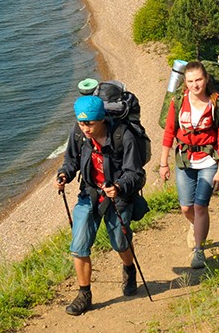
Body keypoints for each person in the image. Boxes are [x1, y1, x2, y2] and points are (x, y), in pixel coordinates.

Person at [56, 94, 146, 316]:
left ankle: (129, 268)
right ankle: (84, 294)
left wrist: (119, 186)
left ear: (102, 120)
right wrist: (64, 174)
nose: (85, 128)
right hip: (89, 193)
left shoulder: (123, 136)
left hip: (118, 197)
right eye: (81, 122)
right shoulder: (77, 133)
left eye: (90, 123)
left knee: (120, 243)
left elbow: (135, 172)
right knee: (79, 245)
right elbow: (71, 160)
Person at [158, 61, 219, 269]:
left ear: (206, 79)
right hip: (184, 159)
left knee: (200, 206)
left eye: (198, 79)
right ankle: (195, 225)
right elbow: (169, 133)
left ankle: (199, 251)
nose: (195, 85)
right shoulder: (178, 102)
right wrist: (163, 164)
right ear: (185, 82)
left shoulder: (217, 103)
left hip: (209, 160)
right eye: (190, 81)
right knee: (186, 207)